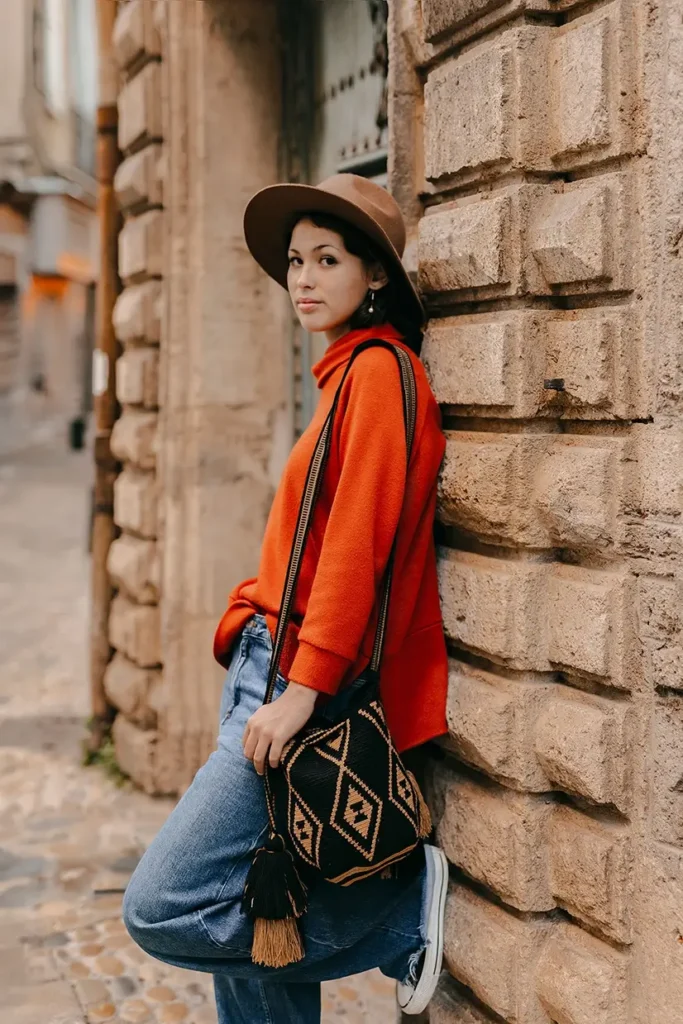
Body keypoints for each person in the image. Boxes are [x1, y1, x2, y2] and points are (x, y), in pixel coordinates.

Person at [122, 173, 450, 1024]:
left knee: (165, 906)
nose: (302, 278)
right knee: (259, 942)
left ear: (374, 276)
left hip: (297, 682)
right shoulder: (340, 378)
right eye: (296, 260)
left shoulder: (379, 373)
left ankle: (402, 914)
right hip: (271, 660)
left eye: (328, 259)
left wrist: (301, 688)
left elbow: (354, 547)